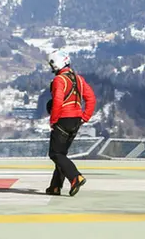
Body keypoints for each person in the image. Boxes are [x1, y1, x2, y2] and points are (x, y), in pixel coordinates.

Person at [45, 49, 96, 196]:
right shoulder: (78, 79)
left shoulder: (59, 80)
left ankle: (75, 177)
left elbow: (58, 102)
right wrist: (84, 117)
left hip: (63, 120)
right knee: (61, 154)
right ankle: (55, 187)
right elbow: (91, 98)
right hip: (76, 121)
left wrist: (53, 120)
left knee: (55, 154)